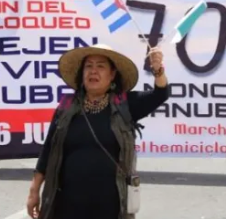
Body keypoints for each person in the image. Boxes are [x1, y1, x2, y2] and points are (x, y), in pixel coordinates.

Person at [26, 44, 169, 219]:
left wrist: (158, 70)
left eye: (100, 66)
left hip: (111, 204)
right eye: (89, 66)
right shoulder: (67, 106)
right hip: (66, 204)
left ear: (112, 74)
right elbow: (48, 150)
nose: (93, 71)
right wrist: (34, 191)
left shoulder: (125, 104)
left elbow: (160, 94)